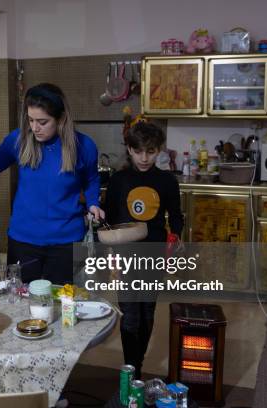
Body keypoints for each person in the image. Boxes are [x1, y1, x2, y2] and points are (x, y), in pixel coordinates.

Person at [0, 83, 104, 284]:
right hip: (23, 240)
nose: (35, 128)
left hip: (67, 241)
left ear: (61, 119)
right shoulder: (18, 140)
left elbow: (91, 179)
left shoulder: (84, 146)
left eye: (42, 122)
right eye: (31, 120)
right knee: (19, 302)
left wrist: (93, 202)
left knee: (62, 305)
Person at [103, 122, 183, 379]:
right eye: (139, 152)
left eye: (150, 151)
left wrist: (177, 236)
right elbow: (111, 218)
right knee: (130, 313)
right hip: (125, 254)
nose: (145, 158)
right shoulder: (119, 180)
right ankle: (131, 366)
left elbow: (176, 215)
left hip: (154, 253)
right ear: (129, 149)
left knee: (147, 309)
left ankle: (138, 364)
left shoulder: (167, 180)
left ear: (158, 150)